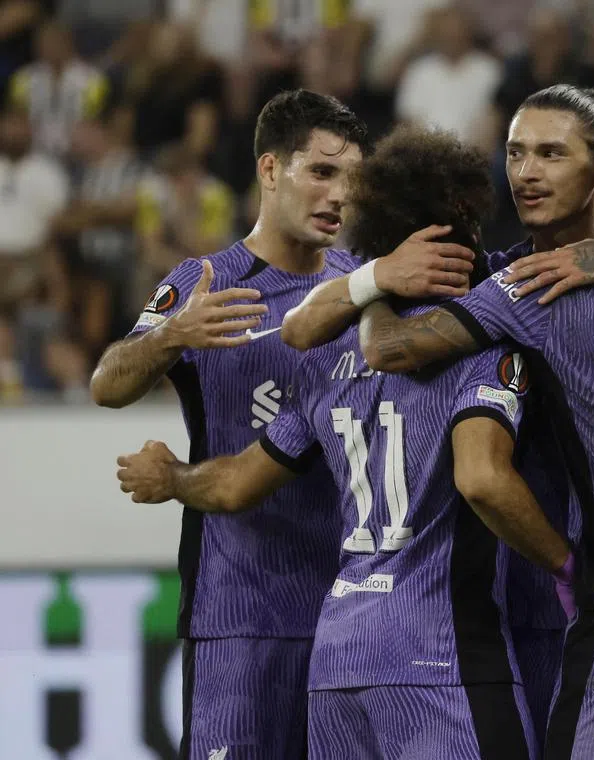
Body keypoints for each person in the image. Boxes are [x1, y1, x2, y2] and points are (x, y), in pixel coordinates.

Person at [277, 83, 594, 745]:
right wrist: (380, 272)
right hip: (573, 597)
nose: (525, 172)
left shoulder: (533, 295)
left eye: (550, 153)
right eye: (516, 152)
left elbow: (385, 349)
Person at [115, 125, 563, 759]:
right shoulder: (486, 341)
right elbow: (483, 478)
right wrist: (570, 565)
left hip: (339, 652)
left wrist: (175, 480)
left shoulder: (328, 355)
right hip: (442, 653)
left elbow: (241, 477)